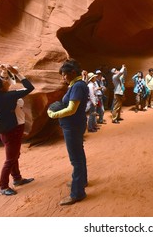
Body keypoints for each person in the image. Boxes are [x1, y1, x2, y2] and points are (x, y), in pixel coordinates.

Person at [0, 64, 35, 196]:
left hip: (6, 130)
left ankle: (17, 178)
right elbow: (30, 87)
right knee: (10, 159)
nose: (5, 81)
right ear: (0, 88)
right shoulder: (8, 96)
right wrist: (18, 73)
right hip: (13, 130)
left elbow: (0, 84)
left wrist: (4, 71)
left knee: (14, 155)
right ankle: (3, 186)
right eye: (3, 81)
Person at [47, 59, 89, 206]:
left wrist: (53, 115)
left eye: (64, 75)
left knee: (75, 160)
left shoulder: (77, 86)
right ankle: (82, 181)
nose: (63, 77)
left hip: (72, 126)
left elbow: (71, 109)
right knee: (79, 154)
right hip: (76, 124)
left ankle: (77, 193)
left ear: (72, 73)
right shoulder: (78, 84)